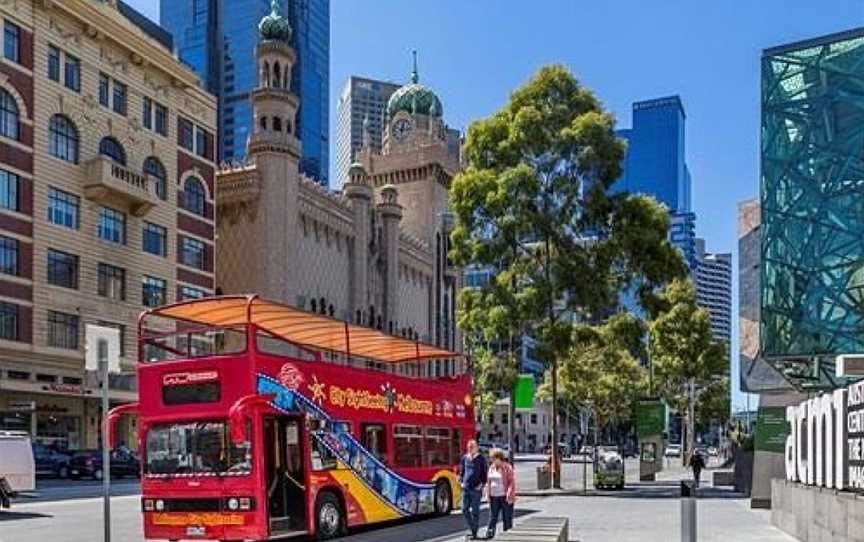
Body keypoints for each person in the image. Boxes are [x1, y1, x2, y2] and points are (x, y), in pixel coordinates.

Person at [459, 440, 487, 540]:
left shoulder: (481, 458)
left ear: (476, 447)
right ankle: (473, 528)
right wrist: (461, 482)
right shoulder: (465, 458)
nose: (470, 448)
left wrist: (482, 484)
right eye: (469, 446)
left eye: (472, 446)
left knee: (475, 511)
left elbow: (484, 473)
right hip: (466, 488)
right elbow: (462, 472)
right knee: (464, 509)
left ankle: (474, 533)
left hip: (476, 489)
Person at [485, 448, 515, 539]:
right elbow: (488, 482)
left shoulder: (507, 467)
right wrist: (487, 494)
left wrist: (509, 493)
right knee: (492, 517)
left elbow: (511, 482)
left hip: (505, 497)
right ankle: (489, 535)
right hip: (494, 497)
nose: (491, 460)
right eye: (491, 458)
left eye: (493, 458)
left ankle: (507, 536)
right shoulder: (491, 468)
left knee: (507, 518)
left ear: (499, 458)